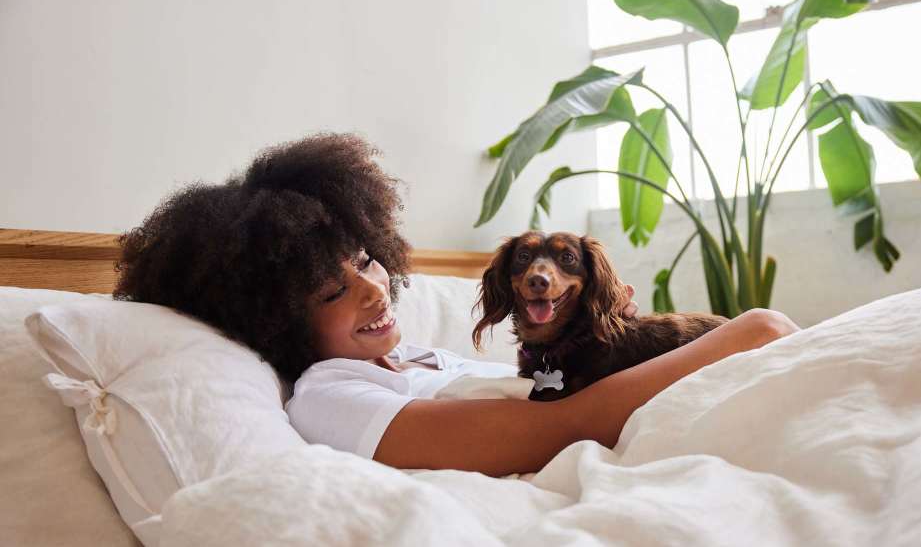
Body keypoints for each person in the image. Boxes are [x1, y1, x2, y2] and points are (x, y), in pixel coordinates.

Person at [114, 133, 800, 478]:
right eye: (331, 290)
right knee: (771, 328)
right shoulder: (330, 396)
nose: (374, 289)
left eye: (365, 260)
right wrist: (743, 334)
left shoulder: (418, 358)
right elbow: (562, 427)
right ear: (275, 320)